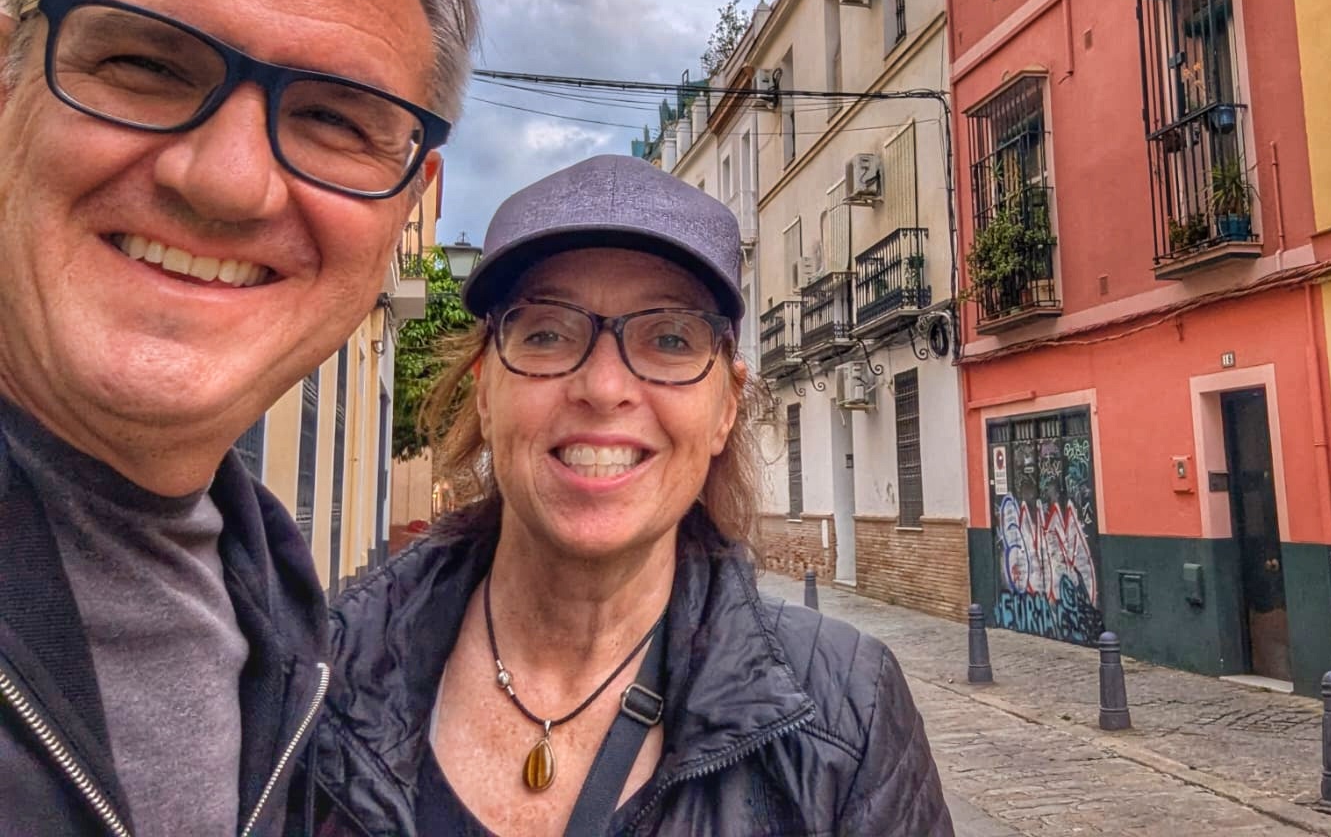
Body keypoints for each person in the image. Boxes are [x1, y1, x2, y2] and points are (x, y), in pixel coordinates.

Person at [0, 0, 478, 836]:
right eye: (144, 63)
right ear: (6, 83)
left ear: (408, 206)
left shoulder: (282, 612)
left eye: (335, 119)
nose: (226, 181)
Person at [313, 154, 953, 835]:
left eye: (669, 338)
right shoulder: (313, 685)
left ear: (726, 408)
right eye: (547, 333)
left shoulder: (849, 716)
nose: (604, 387)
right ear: (485, 392)